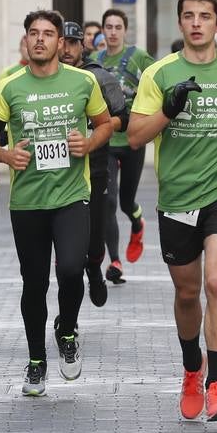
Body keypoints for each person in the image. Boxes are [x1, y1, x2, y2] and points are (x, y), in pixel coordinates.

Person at [128, 0, 217, 423]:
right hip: (177, 196)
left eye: (205, 16)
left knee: (216, 283)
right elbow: (134, 136)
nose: (196, 24)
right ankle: (192, 369)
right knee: (187, 291)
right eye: (189, 16)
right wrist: (168, 111)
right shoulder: (159, 74)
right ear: (180, 21)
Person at [0, 10, 112, 397]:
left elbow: (105, 124)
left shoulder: (83, 81)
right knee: (34, 283)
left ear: (60, 42)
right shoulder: (8, 87)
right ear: (26, 41)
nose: (40, 40)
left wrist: (88, 143)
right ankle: (36, 361)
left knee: (72, 270)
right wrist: (4, 156)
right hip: (28, 201)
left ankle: (66, 329)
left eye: (48, 34)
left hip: (72, 195)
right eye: (34, 33)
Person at [59, 21, 129, 308]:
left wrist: (96, 129)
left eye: (72, 43)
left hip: (96, 165)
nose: (66, 49)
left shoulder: (98, 77)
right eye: (61, 42)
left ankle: (95, 269)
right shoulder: (46, 80)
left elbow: (123, 118)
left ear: (82, 46)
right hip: (61, 170)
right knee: (66, 247)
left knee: (95, 234)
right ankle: (68, 313)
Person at [93, 8, 154, 283]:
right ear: (103, 31)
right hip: (105, 139)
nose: (113, 31)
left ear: (125, 30)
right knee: (108, 201)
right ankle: (115, 260)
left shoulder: (138, 57)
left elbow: (156, 85)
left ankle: (137, 220)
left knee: (126, 201)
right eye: (109, 26)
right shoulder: (94, 61)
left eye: (118, 26)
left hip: (132, 139)